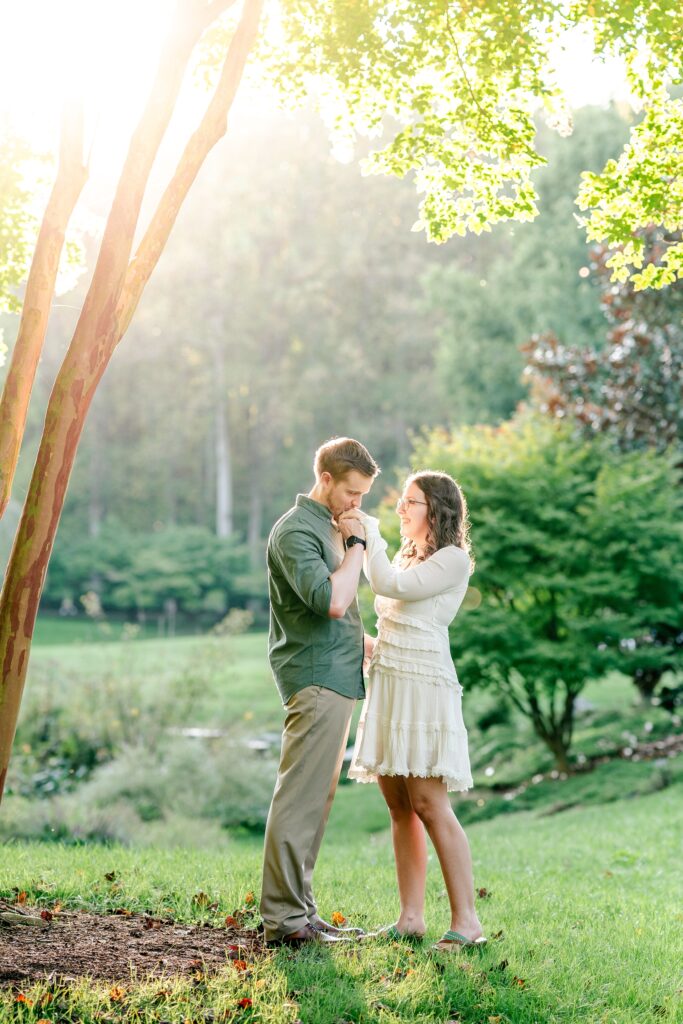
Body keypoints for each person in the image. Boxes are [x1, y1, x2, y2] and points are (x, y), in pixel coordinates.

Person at [345, 470, 487, 951]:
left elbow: (388, 584)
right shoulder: (410, 555)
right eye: (402, 502)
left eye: (411, 502)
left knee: (430, 803)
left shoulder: (452, 560)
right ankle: (410, 919)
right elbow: (394, 610)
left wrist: (369, 533)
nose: (401, 509)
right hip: (390, 682)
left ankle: (467, 923)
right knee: (399, 807)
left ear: (437, 510)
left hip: (423, 689)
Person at [260, 437, 380, 946]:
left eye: (363, 496)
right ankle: (284, 921)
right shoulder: (295, 532)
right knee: (299, 797)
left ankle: (302, 913)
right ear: (325, 479)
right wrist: (356, 547)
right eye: (352, 493)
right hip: (313, 676)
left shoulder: (330, 527)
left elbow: (343, 609)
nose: (357, 505)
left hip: (336, 672)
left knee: (318, 798)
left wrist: (365, 639)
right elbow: (331, 601)